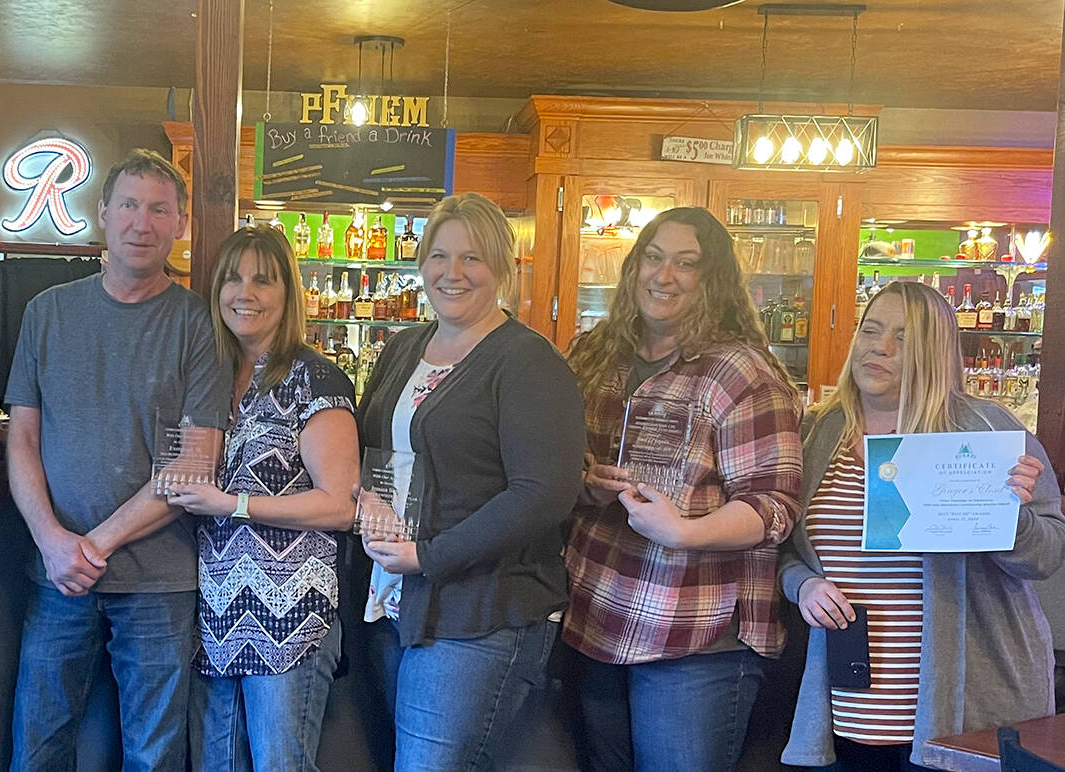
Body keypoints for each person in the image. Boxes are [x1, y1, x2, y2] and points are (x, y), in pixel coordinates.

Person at [5, 148, 231, 770]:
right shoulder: (47, 312)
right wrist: (53, 542)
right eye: (129, 205)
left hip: (159, 580)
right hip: (56, 575)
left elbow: (195, 464)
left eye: (160, 210)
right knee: (39, 744)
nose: (142, 222)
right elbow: (21, 439)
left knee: (155, 756)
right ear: (102, 212)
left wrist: (88, 546)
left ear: (180, 224)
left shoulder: (199, 325)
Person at [779, 280, 1062, 771]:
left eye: (904, 339)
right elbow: (781, 543)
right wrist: (802, 585)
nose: (880, 347)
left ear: (934, 352)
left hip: (963, 703)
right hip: (850, 703)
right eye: (871, 330)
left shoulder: (988, 429)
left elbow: (1046, 555)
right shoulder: (815, 432)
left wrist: (1006, 515)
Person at [562, 206, 804, 772]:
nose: (663, 276)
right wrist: (585, 483)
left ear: (711, 279)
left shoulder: (741, 373)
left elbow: (775, 505)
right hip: (593, 612)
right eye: (653, 257)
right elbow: (558, 464)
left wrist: (687, 531)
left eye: (685, 264)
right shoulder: (595, 353)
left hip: (695, 636)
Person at [355, 192, 585, 769]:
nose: (451, 273)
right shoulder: (405, 347)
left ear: (503, 268)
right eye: (438, 256)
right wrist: (368, 501)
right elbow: (374, 449)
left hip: (482, 609)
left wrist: (427, 555)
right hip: (397, 597)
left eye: (472, 259)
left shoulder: (528, 361)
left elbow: (544, 494)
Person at [166, 226, 358, 772]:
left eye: (262, 280)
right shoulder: (212, 376)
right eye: (232, 278)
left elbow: (339, 505)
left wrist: (236, 505)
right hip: (216, 612)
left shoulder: (315, 377)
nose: (243, 292)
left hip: (291, 616)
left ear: (288, 295)